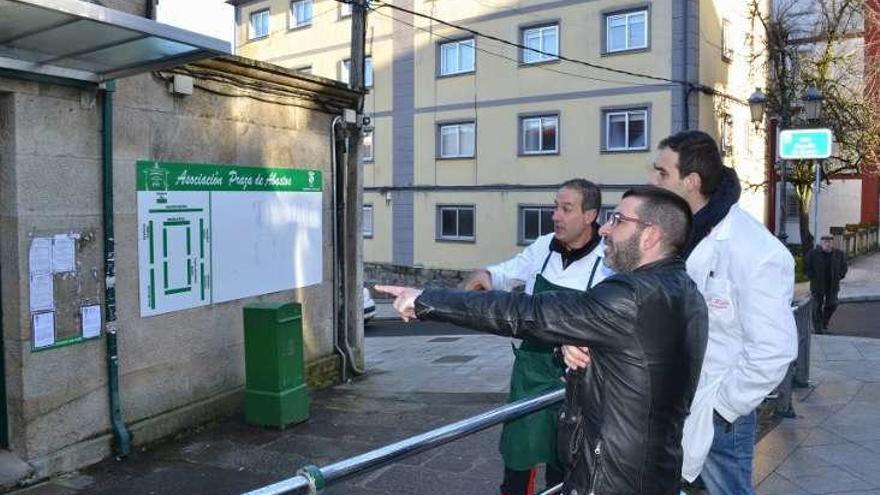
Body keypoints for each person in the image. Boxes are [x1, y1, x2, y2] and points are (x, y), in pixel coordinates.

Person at [378, 186, 709, 495]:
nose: (606, 229)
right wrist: (574, 341)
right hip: (652, 469)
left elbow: (528, 311)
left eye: (618, 220)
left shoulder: (629, 295)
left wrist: (426, 300)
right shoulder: (687, 293)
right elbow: (637, 356)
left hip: (612, 476)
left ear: (650, 235)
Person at [564, 130, 797, 494]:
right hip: (652, 411)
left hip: (717, 419)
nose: (650, 180)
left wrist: (720, 411)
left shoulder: (754, 250)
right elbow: (619, 303)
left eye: (661, 173)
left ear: (691, 182)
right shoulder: (661, 236)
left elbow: (774, 349)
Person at [461, 179, 610, 495]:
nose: (555, 215)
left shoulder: (608, 263)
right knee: (517, 465)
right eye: (555, 206)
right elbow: (506, 272)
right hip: (529, 376)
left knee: (564, 468)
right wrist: (485, 276)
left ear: (590, 216)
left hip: (575, 383)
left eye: (566, 209)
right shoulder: (543, 247)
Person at [804, 234, 848, 333]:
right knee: (816, 307)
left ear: (832, 243)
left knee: (833, 304)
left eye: (829, 242)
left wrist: (840, 276)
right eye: (825, 242)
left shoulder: (839, 254)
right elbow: (807, 266)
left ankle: (824, 322)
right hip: (817, 285)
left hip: (832, 285)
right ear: (821, 243)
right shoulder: (813, 254)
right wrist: (811, 276)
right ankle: (818, 329)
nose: (827, 244)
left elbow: (844, 266)